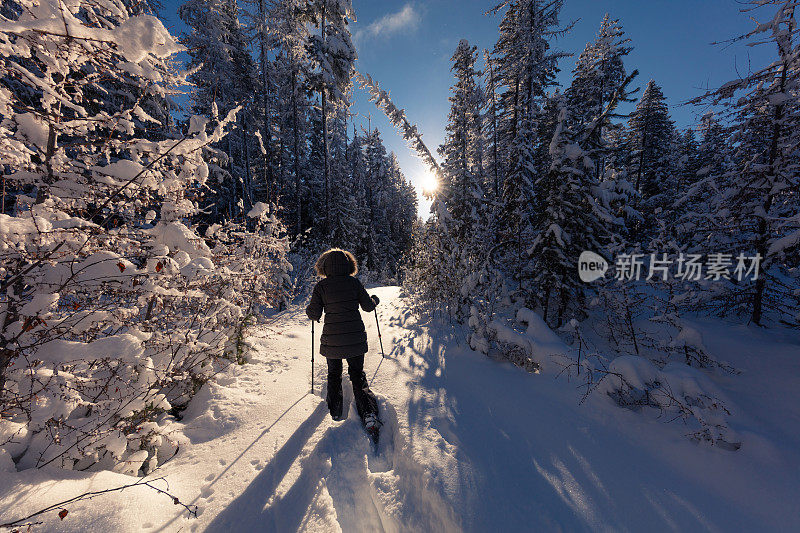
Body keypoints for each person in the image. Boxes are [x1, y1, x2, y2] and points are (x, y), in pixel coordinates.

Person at [306, 249, 380, 429]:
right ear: (349, 265)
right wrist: (375, 300)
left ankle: (334, 411)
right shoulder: (354, 283)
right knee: (357, 375)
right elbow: (368, 307)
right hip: (355, 338)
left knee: (334, 375)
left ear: (324, 267)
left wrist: (310, 310)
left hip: (332, 341)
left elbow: (314, 313)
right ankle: (368, 413)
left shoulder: (321, 287)